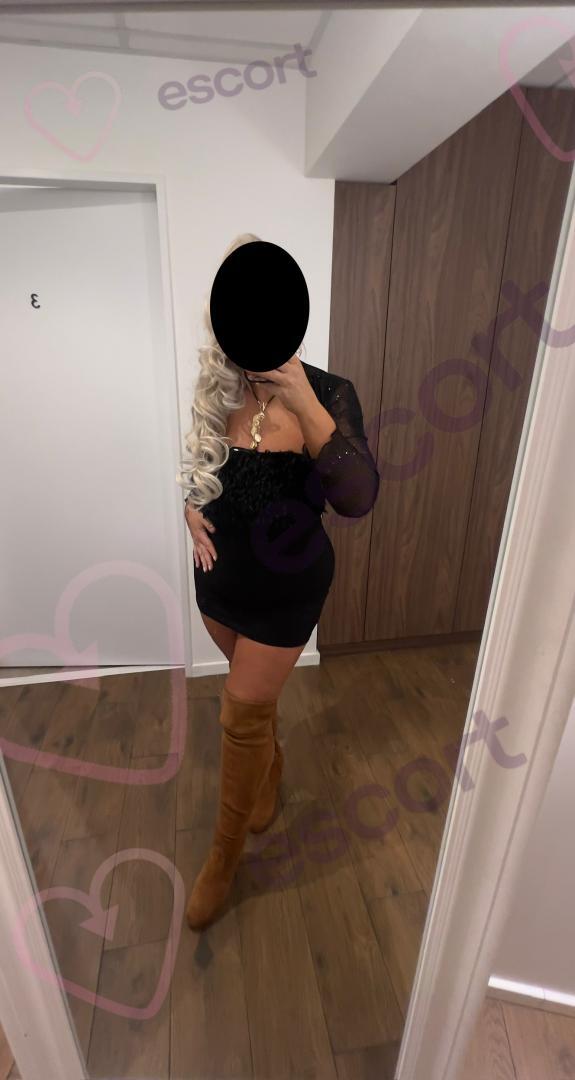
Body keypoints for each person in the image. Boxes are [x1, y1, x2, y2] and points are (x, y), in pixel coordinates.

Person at [178, 233, 380, 930]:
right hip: (220, 581)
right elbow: (200, 464)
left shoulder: (328, 393)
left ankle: (222, 859)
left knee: (239, 712)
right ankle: (272, 763)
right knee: (255, 705)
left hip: (287, 589)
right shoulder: (218, 385)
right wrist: (189, 506)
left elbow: (357, 497)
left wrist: (303, 399)